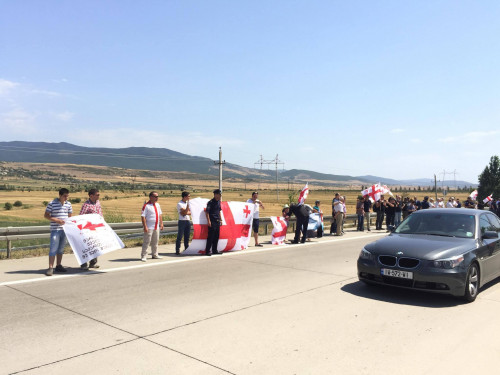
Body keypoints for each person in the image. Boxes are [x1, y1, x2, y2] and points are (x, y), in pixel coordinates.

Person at [44, 188, 73, 276]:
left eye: (67, 196)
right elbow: (46, 215)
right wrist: (57, 220)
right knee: (53, 248)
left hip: (64, 230)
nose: (66, 198)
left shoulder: (68, 204)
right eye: (64, 196)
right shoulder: (52, 203)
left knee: (61, 249)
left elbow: (70, 216)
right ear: (60, 195)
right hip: (55, 229)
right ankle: (50, 267)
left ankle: (58, 265)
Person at [79, 188, 102, 270]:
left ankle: (93, 263)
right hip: (88, 229)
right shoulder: (86, 205)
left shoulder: (98, 203)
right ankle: (83, 264)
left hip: (96, 228)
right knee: (86, 247)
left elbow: (100, 213)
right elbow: (81, 216)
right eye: (97, 195)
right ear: (91, 196)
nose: (99, 196)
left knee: (95, 246)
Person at [140, 191, 164, 261]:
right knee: (147, 242)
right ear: (151, 197)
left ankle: (155, 254)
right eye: (155, 196)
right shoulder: (146, 206)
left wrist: (161, 224)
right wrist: (145, 226)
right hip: (149, 227)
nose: (157, 198)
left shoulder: (158, 205)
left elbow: (160, 214)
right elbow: (143, 216)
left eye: (157, 196)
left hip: (156, 226)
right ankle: (144, 256)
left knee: (155, 241)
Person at [205, 189, 222, 256]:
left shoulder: (218, 202)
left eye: (220, 195)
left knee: (216, 237)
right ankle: (207, 251)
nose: (220, 196)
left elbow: (219, 211)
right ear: (215, 195)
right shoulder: (210, 202)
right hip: (212, 222)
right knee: (210, 237)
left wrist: (221, 220)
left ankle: (215, 250)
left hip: (217, 221)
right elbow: (207, 212)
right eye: (219, 195)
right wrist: (209, 221)